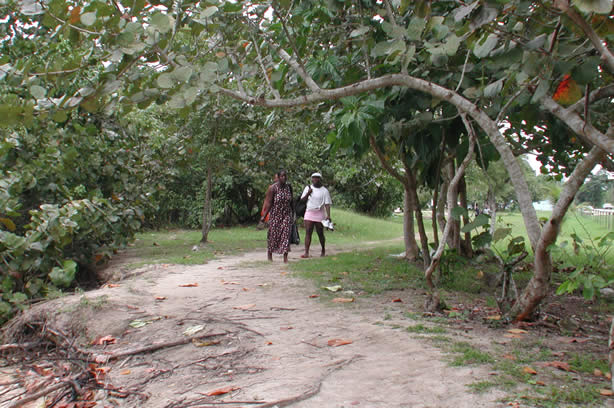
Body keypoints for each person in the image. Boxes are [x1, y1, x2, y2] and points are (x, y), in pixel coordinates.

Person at [260, 170, 294, 263]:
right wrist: (264, 216)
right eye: (282, 176)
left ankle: (285, 257)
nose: (284, 178)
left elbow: (291, 202)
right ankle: (270, 254)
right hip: (275, 215)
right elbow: (269, 203)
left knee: (286, 235)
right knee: (273, 235)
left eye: (285, 176)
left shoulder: (289, 187)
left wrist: (293, 214)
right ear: (278, 177)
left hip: (286, 215)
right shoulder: (273, 188)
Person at [300, 172, 332, 258]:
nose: (315, 180)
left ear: (320, 179)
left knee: (320, 233)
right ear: (311, 179)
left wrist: (328, 216)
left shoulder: (324, 191)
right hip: (309, 212)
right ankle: (306, 252)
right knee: (308, 232)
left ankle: (323, 249)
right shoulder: (308, 188)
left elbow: (327, 204)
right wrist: (308, 193)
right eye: (314, 178)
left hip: (319, 213)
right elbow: (302, 200)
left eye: (317, 178)